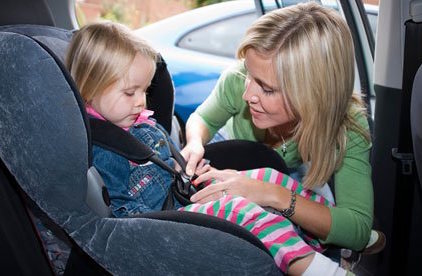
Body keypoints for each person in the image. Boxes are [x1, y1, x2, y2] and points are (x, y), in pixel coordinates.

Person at [66, 21, 353, 275]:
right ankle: (310, 267)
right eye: (130, 93)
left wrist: (184, 170)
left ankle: (322, 233)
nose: (142, 102)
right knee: (243, 209)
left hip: (184, 192)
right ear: (91, 88)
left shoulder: (138, 124)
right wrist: (186, 201)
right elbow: (128, 220)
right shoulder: (107, 150)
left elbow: (164, 161)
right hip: (172, 221)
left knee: (265, 177)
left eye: (145, 91)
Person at [182, 0, 373, 271]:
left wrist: (272, 194)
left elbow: (358, 229)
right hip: (232, 152)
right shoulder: (238, 80)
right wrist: (194, 143)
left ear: (314, 94)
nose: (248, 94)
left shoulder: (348, 125)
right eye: (249, 75)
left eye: (267, 89)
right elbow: (202, 118)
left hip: (290, 176)